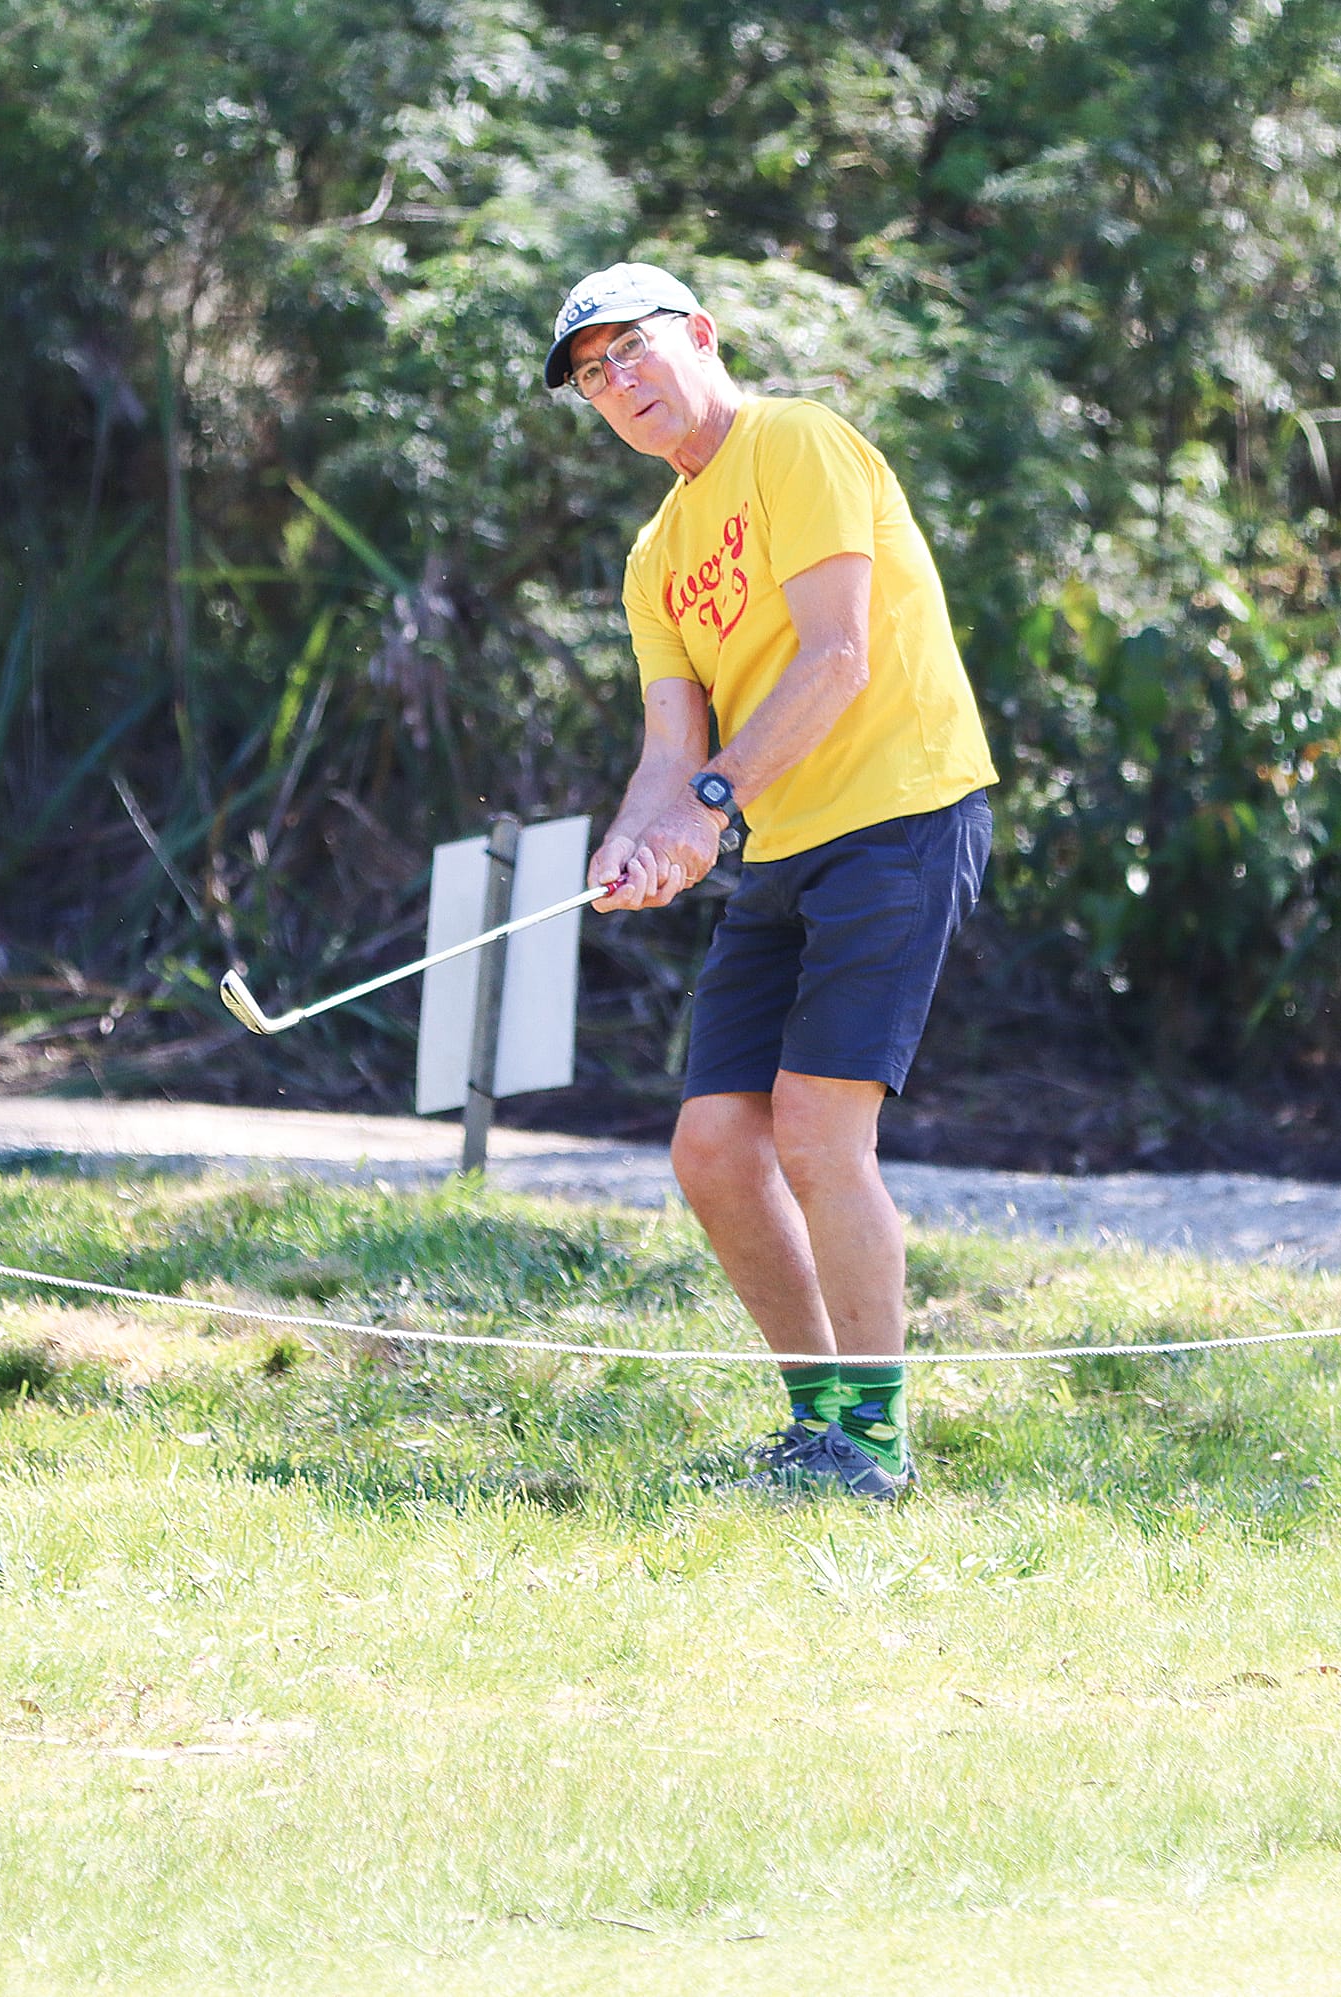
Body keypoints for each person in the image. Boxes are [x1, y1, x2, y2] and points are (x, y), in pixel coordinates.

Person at [545, 263, 998, 1501]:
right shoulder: (655, 554)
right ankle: (819, 1425)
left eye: (631, 350)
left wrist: (704, 808)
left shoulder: (793, 441)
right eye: (590, 376)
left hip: (900, 815)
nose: (617, 384)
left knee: (812, 1125)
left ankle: (876, 1441)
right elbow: (667, 752)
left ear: (698, 334)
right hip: (785, 842)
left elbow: (838, 656)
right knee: (710, 1145)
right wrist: (634, 842)